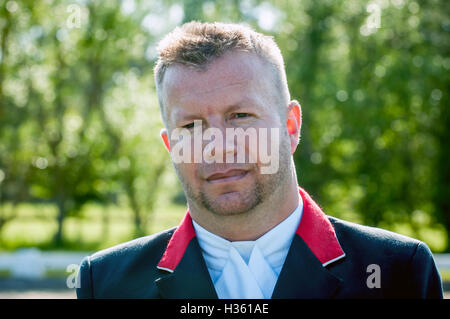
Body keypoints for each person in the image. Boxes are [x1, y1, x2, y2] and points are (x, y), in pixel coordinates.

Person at [76, 21, 443, 299]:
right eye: (190, 125)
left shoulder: (397, 272)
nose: (217, 146)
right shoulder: (107, 282)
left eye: (240, 117)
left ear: (291, 125)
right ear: (169, 144)